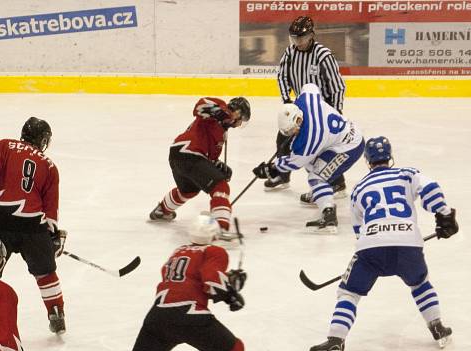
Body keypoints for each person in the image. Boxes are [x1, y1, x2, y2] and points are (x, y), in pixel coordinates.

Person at [308, 137, 459, 351]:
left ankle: (335, 341)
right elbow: (431, 188)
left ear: (367, 161)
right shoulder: (407, 173)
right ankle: (437, 327)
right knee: (420, 283)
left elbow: (359, 230)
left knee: (349, 292)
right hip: (408, 244)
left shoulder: (359, 188)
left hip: (371, 247)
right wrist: (444, 214)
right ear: (390, 156)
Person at [88, 214, 247, 351]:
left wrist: (226, 286)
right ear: (215, 235)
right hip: (190, 315)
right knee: (234, 349)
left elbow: (182, 278)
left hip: (158, 315)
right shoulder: (214, 251)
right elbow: (211, 280)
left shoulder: (177, 252)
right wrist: (230, 292)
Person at [0, 117, 68, 334]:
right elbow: (51, 212)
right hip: (33, 226)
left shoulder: (5, 146)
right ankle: (56, 312)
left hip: (0, 220)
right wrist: (51, 236)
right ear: (43, 140)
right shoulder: (50, 166)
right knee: (45, 272)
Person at [252, 83, 364, 233]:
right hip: (343, 133)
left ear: (298, 120)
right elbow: (310, 86)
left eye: (292, 130)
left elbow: (294, 163)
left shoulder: (309, 139)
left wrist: (271, 168)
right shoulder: (305, 100)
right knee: (312, 163)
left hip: (349, 146)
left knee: (316, 177)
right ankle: (320, 193)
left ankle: (329, 214)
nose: (292, 133)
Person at [264, 15, 347, 194]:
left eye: (300, 37)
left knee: (321, 147)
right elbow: (282, 76)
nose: (297, 41)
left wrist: (337, 110)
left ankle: (337, 182)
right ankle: (282, 175)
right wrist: (287, 101)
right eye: (294, 38)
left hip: (321, 110)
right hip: (299, 107)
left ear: (311, 35)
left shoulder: (323, 55)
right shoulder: (289, 53)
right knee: (283, 139)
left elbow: (338, 86)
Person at [148, 96, 251, 236]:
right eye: (241, 120)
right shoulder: (220, 108)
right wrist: (217, 111)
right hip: (189, 154)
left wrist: (218, 166)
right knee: (220, 187)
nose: (239, 125)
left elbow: (209, 158)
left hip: (179, 156)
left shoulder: (223, 134)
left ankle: (162, 210)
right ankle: (221, 230)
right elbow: (199, 106)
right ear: (237, 113)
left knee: (189, 190)